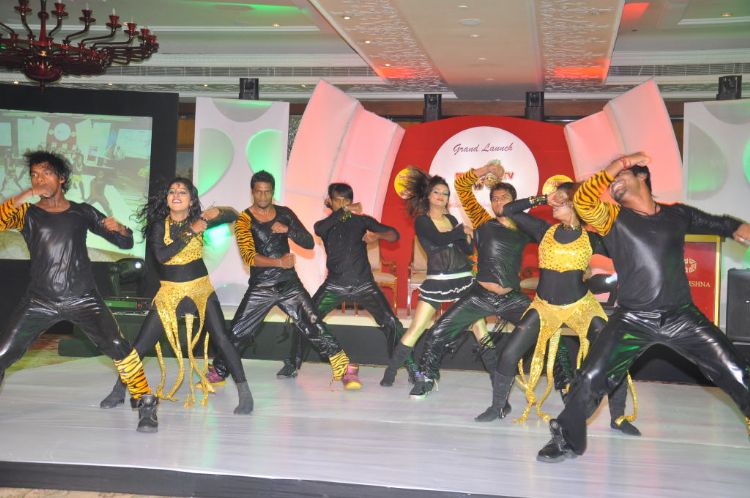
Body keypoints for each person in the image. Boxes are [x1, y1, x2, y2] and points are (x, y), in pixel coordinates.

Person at [537, 152, 750, 462]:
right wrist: (617, 165)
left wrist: (738, 228)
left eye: (622, 177)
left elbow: (719, 223)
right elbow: (583, 200)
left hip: (681, 316)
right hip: (632, 319)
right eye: (611, 181)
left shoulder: (676, 215)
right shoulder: (611, 217)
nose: (613, 183)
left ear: (642, 176)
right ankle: (567, 440)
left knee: (735, 370)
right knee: (592, 375)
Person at [0, 151, 158, 433]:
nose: (39, 179)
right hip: (40, 300)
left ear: (61, 178)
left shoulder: (82, 211)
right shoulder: (27, 214)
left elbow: (124, 242)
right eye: (34, 175)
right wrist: (25, 194)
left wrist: (121, 229)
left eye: (46, 173)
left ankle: (145, 402)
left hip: (83, 298)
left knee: (118, 345)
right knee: (3, 352)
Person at [474, 178, 639, 436]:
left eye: (559, 200)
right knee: (509, 354)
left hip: (581, 306)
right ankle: (498, 407)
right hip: (545, 306)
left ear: (574, 204)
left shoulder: (592, 239)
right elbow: (509, 209)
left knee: (614, 354)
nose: (553, 204)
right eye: (553, 199)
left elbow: (626, 247)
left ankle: (617, 417)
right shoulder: (543, 230)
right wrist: (542, 198)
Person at [99, 177, 253, 414]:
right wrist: (192, 230)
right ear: (167, 199)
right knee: (141, 345)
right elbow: (162, 256)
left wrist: (216, 212)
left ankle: (245, 393)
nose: (176, 195)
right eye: (172, 191)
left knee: (222, 339)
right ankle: (119, 390)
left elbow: (233, 214)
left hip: (201, 290)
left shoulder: (200, 220)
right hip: (170, 293)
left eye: (182, 192)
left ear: (191, 200)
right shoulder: (159, 226)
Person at [208, 171, 361, 389]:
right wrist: (279, 262)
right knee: (238, 330)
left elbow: (308, 242)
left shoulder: (285, 213)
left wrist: (288, 230)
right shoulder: (244, 219)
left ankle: (344, 367)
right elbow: (249, 257)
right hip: (261, 286)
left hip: (288, 284)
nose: (263, 196)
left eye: (267, 192)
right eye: (259, 192)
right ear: (252, 192)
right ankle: (219, 370)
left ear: (272, 192)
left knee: (314, 323)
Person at [408, 161, 533, 398]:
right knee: (437, 333)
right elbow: (462, 187)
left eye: (505, 198)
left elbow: (553, 239)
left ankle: (566, 385)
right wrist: (486, 168)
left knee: (547, 330)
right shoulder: (483, 221)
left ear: (515, 202)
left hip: (513, 299)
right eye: (494, 198)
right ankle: (427, 378)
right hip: (480, 296)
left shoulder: (526, 227)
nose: (499, 202)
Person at [276, 182, 406, 381]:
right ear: (329, 201)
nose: (343, 203)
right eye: (338, 200)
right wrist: (344, 210)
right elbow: (318, 229)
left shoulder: (362, 221)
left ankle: (408, 367)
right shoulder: (325, 225)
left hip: (364, 284)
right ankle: (293, 364)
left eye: (347, 200)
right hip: (334, 285)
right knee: (306, 318)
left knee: (392, 323)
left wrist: (376, 236)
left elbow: (394, 235)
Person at [380, 168, 487, 387]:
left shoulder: (451, 218)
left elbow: (466, 250)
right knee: (416, 328)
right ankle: (390, 373)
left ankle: (498, 374)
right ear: (428, 195)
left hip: (463, 278)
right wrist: (460, 231)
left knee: (480, 327)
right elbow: (438, 240)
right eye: (437, 192)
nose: (441, 196)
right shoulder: (422, 221)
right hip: (438, 281)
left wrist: (469, 237)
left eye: (445, 193)